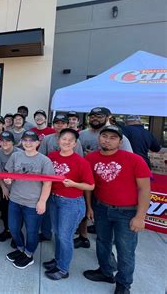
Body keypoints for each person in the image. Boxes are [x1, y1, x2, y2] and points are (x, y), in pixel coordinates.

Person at [83, 125, 151, 294]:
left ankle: (123, 284)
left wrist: (140, 216)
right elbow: (89, 186)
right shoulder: (91, 158)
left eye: (113, 137)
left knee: (125, 250)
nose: (107, 140)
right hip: (101, 208)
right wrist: (90, 207)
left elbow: (144, 189)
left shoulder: (134, 160)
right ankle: (105, 271)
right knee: (102, 242)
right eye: (104, 136)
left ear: (121, 142)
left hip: (127, 212)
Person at [77, 106, 133, 248]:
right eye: (92, 116)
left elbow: (128, 161)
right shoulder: (82, 134)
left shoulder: (119, 136)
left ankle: (108, 253)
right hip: (86, 179)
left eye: (99, 116)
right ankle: (83, 237)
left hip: (108, 182)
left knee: (107, 221)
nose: (95, 118)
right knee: (85, 210)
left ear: (108, 117)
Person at [44, 128, 94, 280]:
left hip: (71, 203)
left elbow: (90, 186)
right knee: (58, 233)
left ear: (75, 143)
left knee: (65, 236)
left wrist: (73, 184)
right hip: (53, 199)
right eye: (63, 139)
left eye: (70, 140)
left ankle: (63, 269)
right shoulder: (51, 157)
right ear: (58, 140)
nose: (66, 142)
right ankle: (58, 260)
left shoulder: (81, 161)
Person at [4, 130, 54, 269]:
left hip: (33, 202)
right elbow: (11, 174)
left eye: (31, 140)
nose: (28, 143)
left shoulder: (44, 160)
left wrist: (42, 201)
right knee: (13, 228)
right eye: (25, 140)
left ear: (38, 143)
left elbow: (47, 183)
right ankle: (20, 249)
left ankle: (28, 254)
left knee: (32, 232)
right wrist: (8, 180)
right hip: (15, 199)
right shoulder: (15, 156)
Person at [0, 131, 21, 242]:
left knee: (17, 213)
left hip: (18, 187)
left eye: (8, 141)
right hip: (4, 186)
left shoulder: (19, 153)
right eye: (2, 141)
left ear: (13, 142)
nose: (4, 143)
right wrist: (3, 187)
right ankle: (7, 230)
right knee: (5, 210)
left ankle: (17, 235)